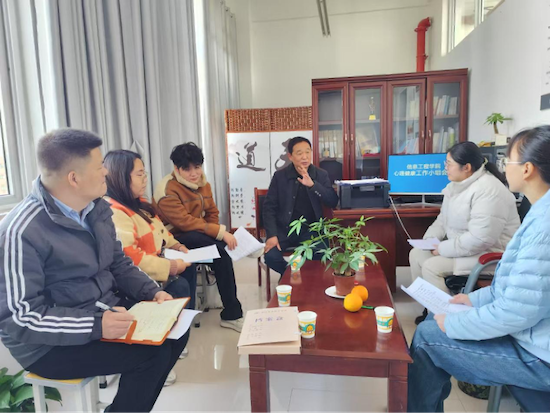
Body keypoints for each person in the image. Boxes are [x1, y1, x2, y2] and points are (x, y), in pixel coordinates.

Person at [0, 129, 189, 413]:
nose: (106, 172)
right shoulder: (21, 231)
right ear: (74, 178)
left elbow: (118, 262)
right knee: (152, 354)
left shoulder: (96, 208)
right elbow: (21, 317)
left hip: (99, 308)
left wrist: (152, 292)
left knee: (176, 328)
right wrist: (96, 325)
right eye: (99, 166)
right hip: (46, 344)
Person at [408, 125, 550, 413]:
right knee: (434, 320)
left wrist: (456, 323)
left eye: (507, 160)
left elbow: (516, 310)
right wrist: (472, 300)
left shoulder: (541, 227)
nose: (503, 167)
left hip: (539, 355)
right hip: (530, 332)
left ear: (527, 169)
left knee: (426, 339)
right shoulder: (540, 211)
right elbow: (513, 289)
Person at [104, 149, 197, 375]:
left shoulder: (139, 204)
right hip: (135, 279)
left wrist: (177, 246)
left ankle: (176, 334)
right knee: (180, 285)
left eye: (145, 173)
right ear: (120, 177)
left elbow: (162, 232)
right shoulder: (115, 211)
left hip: (156, 264)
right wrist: (171, 266)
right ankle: (162, 344)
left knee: (188, 272)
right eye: (140, 174)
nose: (145, 179)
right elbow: (129, 258)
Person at [409, 141, 520, 324]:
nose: (445, 168)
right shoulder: (456, 186)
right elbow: (442, 220)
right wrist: (429, 241)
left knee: (432, 266)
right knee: (417, 254)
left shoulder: (489, 190)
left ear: (467, 167)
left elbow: (480, 238)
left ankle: (448, 320)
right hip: (466, 249)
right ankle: (430, 308)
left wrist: (442, 248)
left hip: (491, 254)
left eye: (449, 164)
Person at [153, 142, 248, 333]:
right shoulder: (167, 189)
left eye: (197, 167)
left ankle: (231, 313)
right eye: (187, 169)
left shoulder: (203, 184)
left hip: (197, 234)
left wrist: (216, 232)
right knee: (221, 248)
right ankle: (231, 313)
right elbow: (185, 223)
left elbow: (212, 213)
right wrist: (219, 233)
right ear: (176, 169)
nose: (194, 173)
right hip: (175, 238)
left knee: (221, 251)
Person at [263, 136, 339, 276]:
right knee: (271, 257)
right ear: (290, 156)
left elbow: (332, 201)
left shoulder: (321, 175)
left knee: (320, 254)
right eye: (299, 153)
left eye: (308, 152)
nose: (305, 157)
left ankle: (302, 279)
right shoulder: (280, 177)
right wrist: (272, 235)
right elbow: (269, 208)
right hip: (285, 230)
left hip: (312, 231)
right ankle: (291, 275)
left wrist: (313, 185)